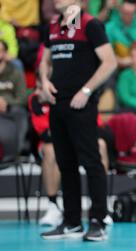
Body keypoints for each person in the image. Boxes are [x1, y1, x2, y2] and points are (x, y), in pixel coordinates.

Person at [39, 0, 117, 241]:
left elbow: (110, 62)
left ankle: (98, 220)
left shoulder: (90, 24)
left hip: (81, 105)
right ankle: (71, 222)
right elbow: (44, 60)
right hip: (57, 104)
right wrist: (44, 81)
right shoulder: (53, 25)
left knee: (92, 162)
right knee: (66, 163)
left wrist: (86, 91)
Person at [29, 78, 113, 227]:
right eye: (37, 86)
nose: (38, 91)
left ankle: (101, 204)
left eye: (40, 87)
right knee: (52, 150)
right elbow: (44, 133)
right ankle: (53, 204)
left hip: (77, 141)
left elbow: (98, 127)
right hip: (52, 143)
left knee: (100, 145)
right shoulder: (35, 100)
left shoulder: (77, 96)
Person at [106, 0, 136, 69]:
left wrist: (135, 59)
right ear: (120, 11)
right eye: (125, 13)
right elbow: (106, 52)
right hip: (118, 63)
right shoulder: (110, 27)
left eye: (131, 13)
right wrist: (120, 61)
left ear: (135, 13)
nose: (128, 16)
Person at [0, 40, 28, 160]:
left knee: (20, 112)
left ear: (5, 53)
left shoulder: (15, 72)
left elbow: (22, 98)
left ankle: (17, 152)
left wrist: (6, 102)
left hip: (10, 108)